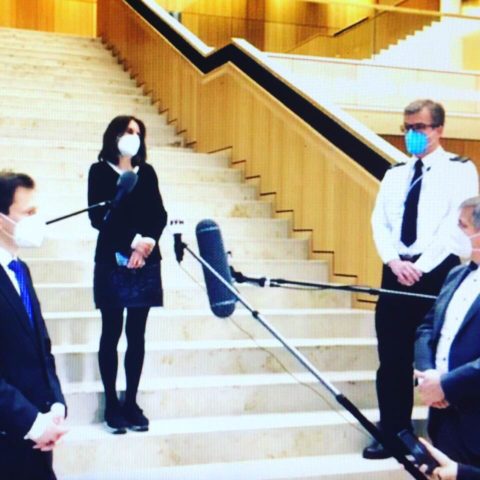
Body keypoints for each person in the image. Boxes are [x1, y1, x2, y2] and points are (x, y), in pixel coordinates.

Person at [366, 99, 479, 459]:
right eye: (407, 128)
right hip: (395, 270)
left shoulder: (459, 169)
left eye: (420, 127)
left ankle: (452, 436)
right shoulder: (396, 172)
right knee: (392, 354)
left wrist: (422, 266)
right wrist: (393, 260)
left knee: (444, 351)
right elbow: (379, 221)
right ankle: (393, 430)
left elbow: (456, 225)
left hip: (438, 271)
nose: (412, 134)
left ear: (439, 129)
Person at [88, 115, 167, 434]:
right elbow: (98, 217)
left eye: (137, 132)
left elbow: (159, 214)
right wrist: (131, 242)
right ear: (114, 135)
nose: (132, 136)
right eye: (126, 131)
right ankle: (111, 403)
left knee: (137, 334)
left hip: (145, 260)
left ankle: (131, 401)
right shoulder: (99, 171)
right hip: (112, 257)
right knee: (111, 331)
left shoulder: (147, 172)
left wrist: (146, 244)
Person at [0, 171, 67, 479]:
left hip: (37, 438)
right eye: (28, 213)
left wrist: (56, 403)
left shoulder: (20, 269)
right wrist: (31, 422)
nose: (36, 220)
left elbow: (42, 347)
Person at [414, 196, 480, 470]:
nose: (457, 232)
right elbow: (427, 328)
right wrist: (429, 374)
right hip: (442, 413)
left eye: (462, 226)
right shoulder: (456, 274)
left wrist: (446, 384)